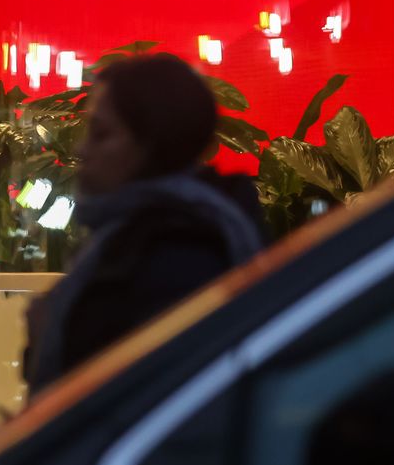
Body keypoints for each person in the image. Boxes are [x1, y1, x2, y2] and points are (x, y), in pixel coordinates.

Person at [23, 53, 266, 395]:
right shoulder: (134, 235)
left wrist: (52, 331)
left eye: (101, 134)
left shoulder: (180, 256)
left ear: (149, 145)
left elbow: (147, 403)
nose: (82, 149)